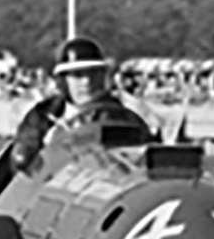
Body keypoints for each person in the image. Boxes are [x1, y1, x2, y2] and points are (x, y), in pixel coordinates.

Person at [8, 35, 143, 171]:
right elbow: (25, 150)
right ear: (63, 80)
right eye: (78, 75)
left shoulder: (125, 119)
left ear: (103, 76)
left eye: (93, 74)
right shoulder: (42, 115)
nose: (87, 82)